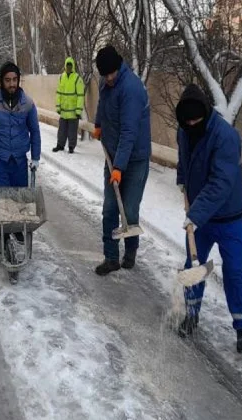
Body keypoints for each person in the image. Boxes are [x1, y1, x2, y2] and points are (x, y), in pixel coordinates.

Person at [175, 83, 242, 354]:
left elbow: (221, 182)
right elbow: (184, 160)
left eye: (197, 120)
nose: (192, 124)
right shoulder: (184, 130)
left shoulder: (225, 137)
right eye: (188, 121)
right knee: (193, 265)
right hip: (201, 217)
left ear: (206, 114)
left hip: (228, 217)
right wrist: (182, 181)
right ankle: (191, 315)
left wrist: (194, 214)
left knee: (234, 270)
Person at [91, 45, 151, 276]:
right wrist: (98, 123)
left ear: (118, 67)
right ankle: (111, 257)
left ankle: (131, 250)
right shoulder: (108, 82)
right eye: (105, 75)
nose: (108, 78)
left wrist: (119, 168)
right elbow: (102, 104)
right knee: (109, 208)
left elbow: (129, 132)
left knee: (130, 210)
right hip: (113, 155)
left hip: (134, 159)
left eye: (111, 74)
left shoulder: (131, 89)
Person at [0, 61, 41, 248]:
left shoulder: (28, 103)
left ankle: (18, 229)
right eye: (8, 80)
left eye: (15, 80)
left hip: (20, 160)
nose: (12, 84)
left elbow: (35, 131)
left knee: (20, 199)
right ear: (1, 81)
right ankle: (4, 232)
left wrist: (35, 157)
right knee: (1, 200)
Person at [53, 57, 85, 154]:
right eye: (67, 66)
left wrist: (78, 110)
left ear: (73, 67)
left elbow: (80, 96)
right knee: (61, 130)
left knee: (72, 131)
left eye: (70, 66)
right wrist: (58, 106)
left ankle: (71, 147)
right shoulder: (61, 77)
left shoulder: (77, 79)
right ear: (65, 66)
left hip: (73, 112)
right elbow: (58, 93)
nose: (69, 68)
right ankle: (60, 145)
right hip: (63, 111)